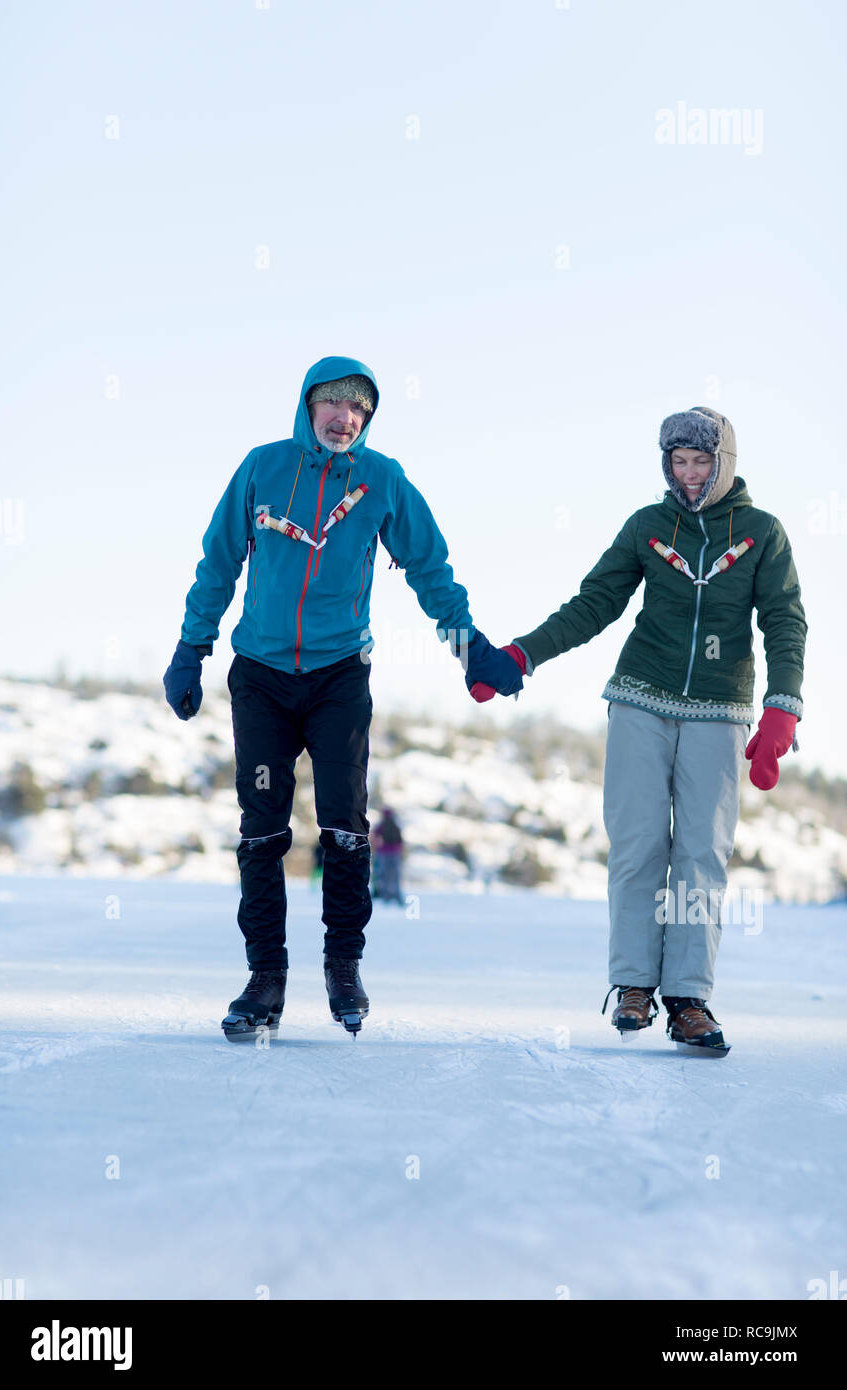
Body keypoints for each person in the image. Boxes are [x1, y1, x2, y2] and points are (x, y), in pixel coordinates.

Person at [163, 356, 522, 1039]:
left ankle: (343, 966)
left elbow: (429, 569)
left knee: (345, 827)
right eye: (332, 404)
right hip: (262, 676)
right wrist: (192, 648)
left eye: (358, 410)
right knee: (262, 828)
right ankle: (264, 979)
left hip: (338, 677)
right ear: (308, 407)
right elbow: (218, 561)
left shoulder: (382, 480)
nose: (344, 418)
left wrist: (469, 646)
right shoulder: (262, 468)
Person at [470, 407, 806, 1055]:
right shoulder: (649, 526)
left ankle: (688, 999)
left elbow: (785, 621)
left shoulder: (763, 533)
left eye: (701, 462)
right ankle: (631, 985)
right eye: (678, 462)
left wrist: (782, 706)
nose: (688, 475)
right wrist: (522, 655)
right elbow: (594, 602)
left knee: (701, 857)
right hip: (639, 700)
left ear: (724, 463)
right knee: (638, 846)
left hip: (720, 709)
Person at [372, 807, 405, 905]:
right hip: (395, 852)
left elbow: (375, 836)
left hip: (383, 852)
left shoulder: (381, 825)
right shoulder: (395, 825)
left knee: (384, 874)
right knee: (395, 875)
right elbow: (400, 840)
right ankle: (397, 896)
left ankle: (385, 896)